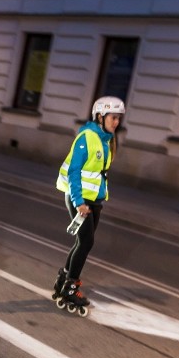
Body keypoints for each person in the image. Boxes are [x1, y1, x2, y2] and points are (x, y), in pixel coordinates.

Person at [53, 96, 125, 310]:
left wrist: (97, 199)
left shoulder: (106, 139)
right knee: (86, 242)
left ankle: (62, 281)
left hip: (94, 199)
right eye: (113, 118)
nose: (116, 122)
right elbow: (74, 171)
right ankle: (70, 288)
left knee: (82, 242)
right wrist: (79, 202)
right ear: (100, 116)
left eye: (119, 118)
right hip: (80, 199)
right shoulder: (87, 137)